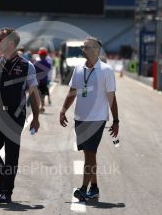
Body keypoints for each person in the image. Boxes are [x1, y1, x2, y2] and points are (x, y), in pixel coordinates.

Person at [0, 27, 40, 203]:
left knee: (11, 154)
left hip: (16, 114)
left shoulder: (27, 66)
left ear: (11, 43)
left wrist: (36, 118)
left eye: (0, 39)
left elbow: (33, 93)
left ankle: (7, 191)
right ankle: (2, 178)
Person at [60, 37, 119, 201]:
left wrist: (116, 121)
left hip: (97, 119)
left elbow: (112, 98)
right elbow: (72, 91)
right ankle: (94, 188)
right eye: (83, 47)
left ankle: (83, 189)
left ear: (95, 50)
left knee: (91, 152)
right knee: (88, 155)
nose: (82, 49)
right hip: (80, 117)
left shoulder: (106, 70)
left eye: (86, 47)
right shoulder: (78, 68)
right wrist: (63, 110)